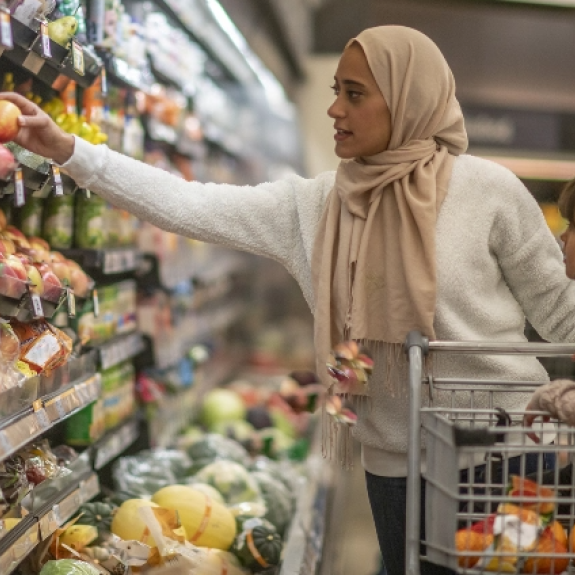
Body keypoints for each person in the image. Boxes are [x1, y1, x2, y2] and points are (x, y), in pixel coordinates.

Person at [3, 25, 575, 575]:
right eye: (335, 92)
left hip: (509, 449)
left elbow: (560, 315)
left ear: (407, 100)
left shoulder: (491, 191)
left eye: (354, 94)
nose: (335, 109)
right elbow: (188, 203)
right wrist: (68, 150)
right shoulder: (316, 206)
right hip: (395, 466)